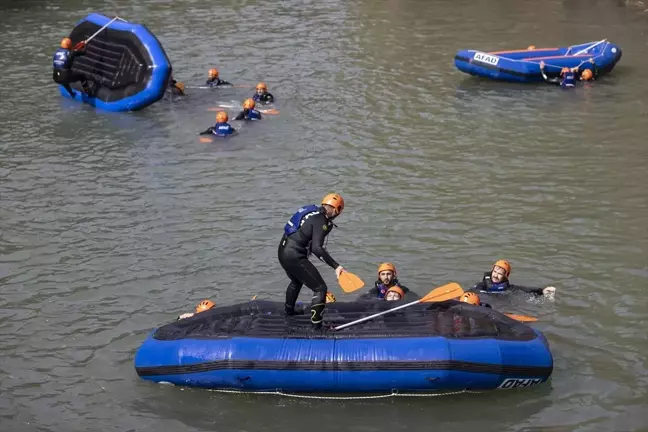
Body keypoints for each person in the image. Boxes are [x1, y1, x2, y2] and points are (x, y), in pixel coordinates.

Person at [278, 193, 346, 329]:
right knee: (320, 288)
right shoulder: (321, 220)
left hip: (282, 251)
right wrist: (336, 266)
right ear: (336, 210)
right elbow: (316, 248)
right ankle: (316, 327)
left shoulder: (311, 210)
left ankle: (289, 312)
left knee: (297, 281)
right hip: (295, 255)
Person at [470, 260, 556, 298]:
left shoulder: (509, 289)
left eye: (499, 274)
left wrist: (542, 291)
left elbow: (526, 289)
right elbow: (468, 293)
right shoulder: (481, 286)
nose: (495, 276)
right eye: (495, 272)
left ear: (505, 276)